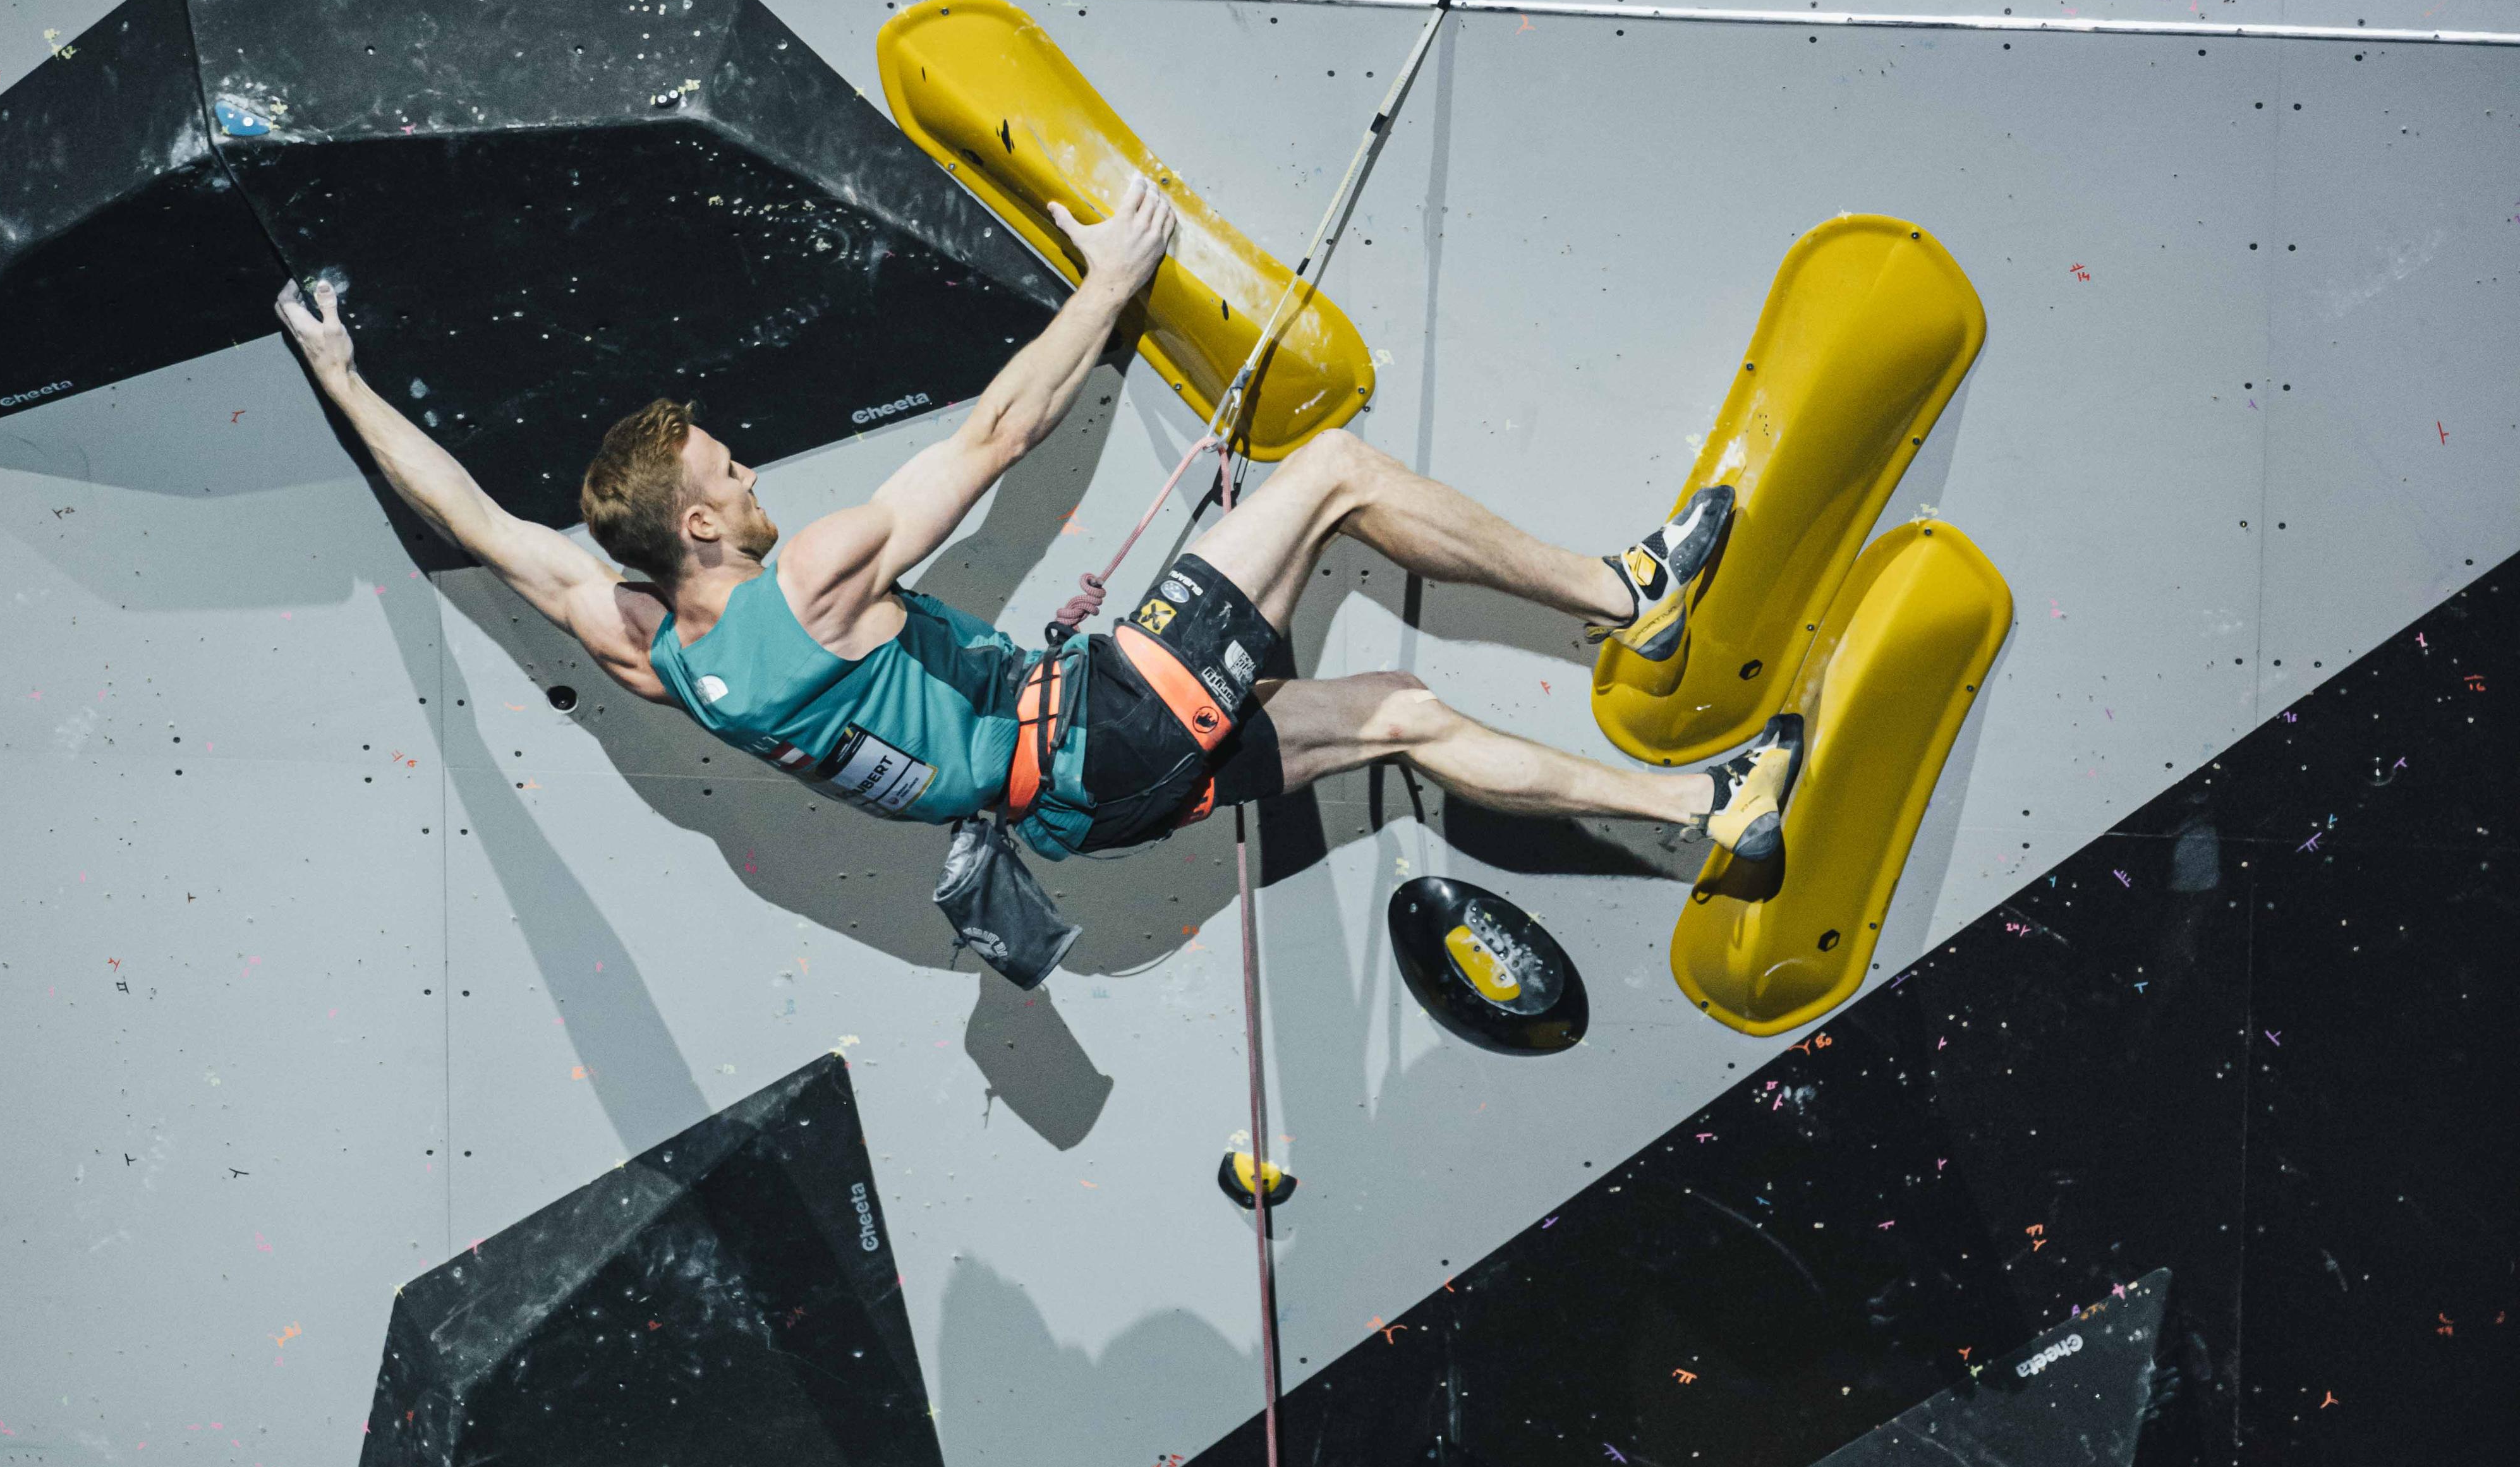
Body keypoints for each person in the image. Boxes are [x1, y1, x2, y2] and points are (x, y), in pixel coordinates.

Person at [271, 170, 1798, 886]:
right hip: (1103, 731)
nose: (754, 476)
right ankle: (1627, 591)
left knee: (1393, 712)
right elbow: (996, 435)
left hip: (1079, 816)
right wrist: (1111, 277)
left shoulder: (649, 648)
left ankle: (1699, 814)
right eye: (732, 471)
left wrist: (344, 379)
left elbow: (468, 512)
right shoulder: (799, 583)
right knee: (1328, 469)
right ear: (700, 521)